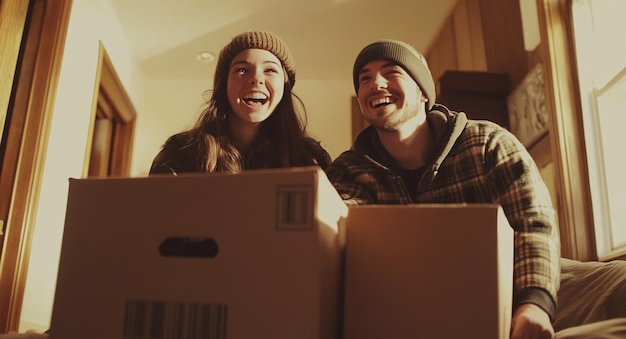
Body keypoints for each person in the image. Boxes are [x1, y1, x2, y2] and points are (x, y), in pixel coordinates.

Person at [325, 39, 561, 338]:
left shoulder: (488, 143)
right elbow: (338, 243)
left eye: (391, 72)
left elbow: (533, 224)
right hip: (396, 318)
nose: (376, 83)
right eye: (365, 78)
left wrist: (534, 305)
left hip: (500, 308)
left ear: (423, 92)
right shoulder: (347, 172)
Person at [149, 30, 330, 175]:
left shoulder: (311, 158)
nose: (256, 78)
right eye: (242, 69)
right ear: (223, 85)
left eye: (270, 70)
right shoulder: (180, 152)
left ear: (284, 86)